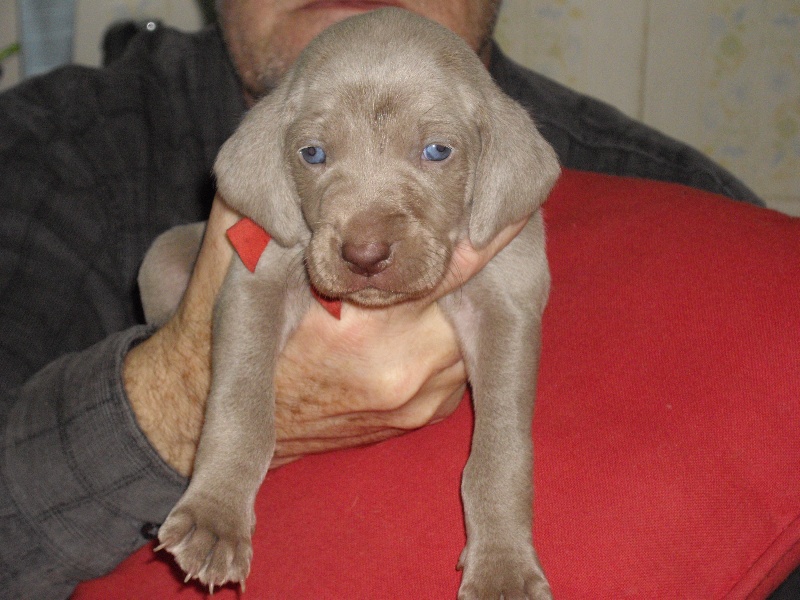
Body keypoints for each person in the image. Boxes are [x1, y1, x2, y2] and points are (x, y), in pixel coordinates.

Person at [0, 1, 761, 598]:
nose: (364, 242)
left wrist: (502, 537)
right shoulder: (46, 155)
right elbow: (257, 275)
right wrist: (183, 404)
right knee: (175, 258)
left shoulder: (684, 199)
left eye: (436, 151)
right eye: (315, 154)